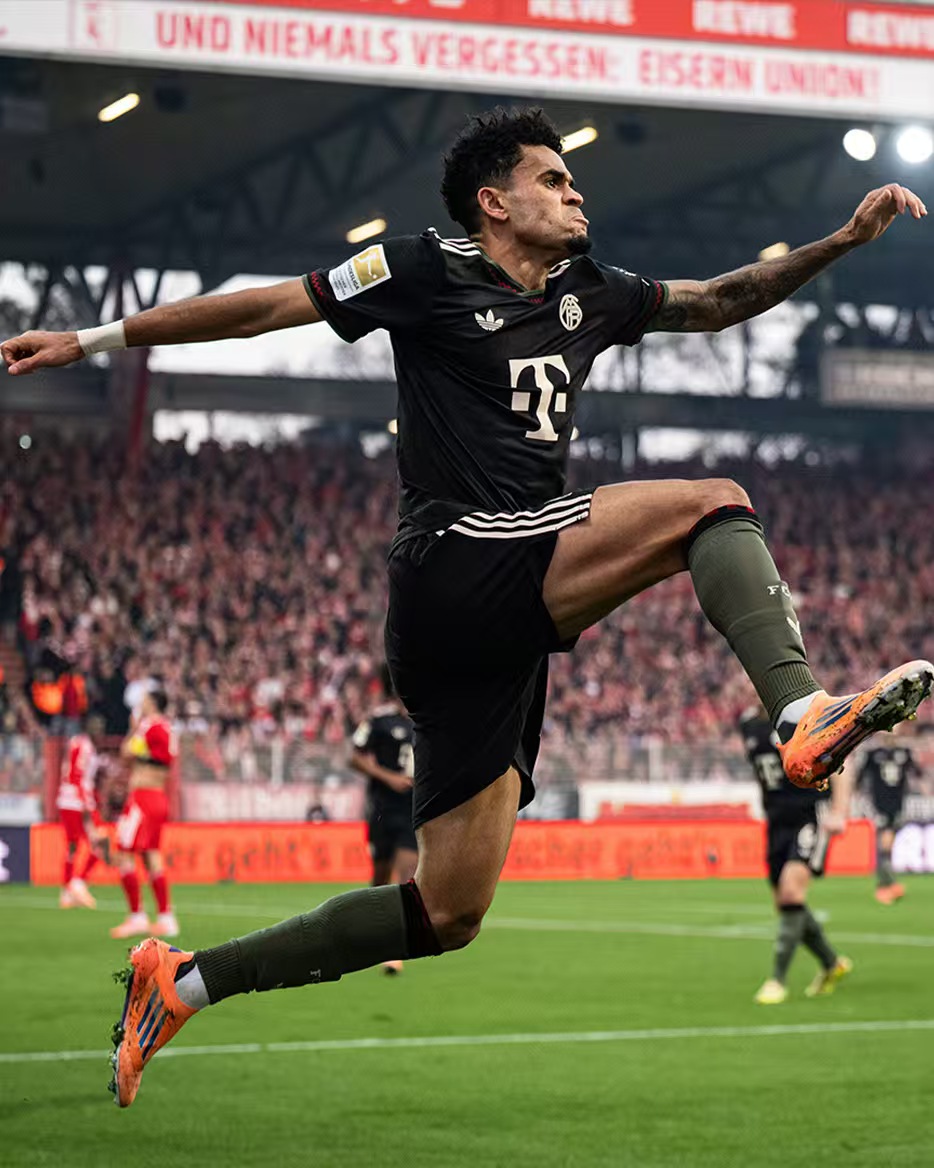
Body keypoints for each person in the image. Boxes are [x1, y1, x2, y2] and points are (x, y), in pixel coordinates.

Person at [2, 107, 932, 1108]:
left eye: (572, 179)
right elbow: (267, 309)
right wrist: (91, 338)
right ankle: (800, 712)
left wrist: (840, 241)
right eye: (552, 179)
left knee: (447, 912)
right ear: (494, 202)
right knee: (714, 502)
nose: (575, 192)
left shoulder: (589, 291)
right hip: (454, 559)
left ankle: (182, 984)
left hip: (494, 625)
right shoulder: (419, 269)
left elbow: (714, 302)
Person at [739, 705, 852, 1004]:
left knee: (791, 893)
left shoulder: (799, 714)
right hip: (776, 821)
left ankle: (777, 980)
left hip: (810, 814)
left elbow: (840, 758)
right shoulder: (748, 723)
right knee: (786, 903)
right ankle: (832, 963)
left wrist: (839, 810)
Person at [349, 664, 417, 975]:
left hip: (412, 811)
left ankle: (393, 951)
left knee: (404, 878)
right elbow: (354, 757)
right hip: (381, 809)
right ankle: (371, 935)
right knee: (379, 880)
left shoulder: (426, 721)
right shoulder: (379, 722)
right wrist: (388, 777)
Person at [110, 684, 180, 940]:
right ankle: (166, 918)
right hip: (158, 796)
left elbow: (126, 752)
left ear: (152, 703)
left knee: (122, 852)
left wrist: (133, 727)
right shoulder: (168, 727)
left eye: (145, 699)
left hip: (143, 797)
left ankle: (137, 916)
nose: (141, 704)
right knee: (151, 855)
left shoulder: (149, 724)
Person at [857, 725, 921, 904]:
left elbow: (916, 773)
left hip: (898, 805)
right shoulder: (873, 754)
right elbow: (860, 779)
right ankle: (888, 884)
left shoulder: (904, 753)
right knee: (885, 844)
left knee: (887, 845)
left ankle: (885, 884)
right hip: (879, 805)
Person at [56, 722, 105, 909]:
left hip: (66, 798)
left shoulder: (76, 742)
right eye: (97, 728)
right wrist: (86, 802)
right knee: (99, 842)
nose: (99, 732)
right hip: (77, 800)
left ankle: (67, 891)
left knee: (73, 846)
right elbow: (78, 775)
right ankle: (78, 883)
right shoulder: (85, 746)